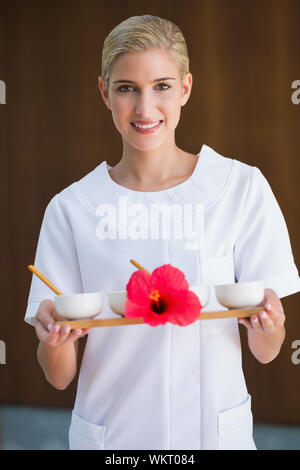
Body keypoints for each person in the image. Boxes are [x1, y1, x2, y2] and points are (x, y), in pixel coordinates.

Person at [24, 14, 300, 450]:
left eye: (162, 86)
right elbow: (58, 377)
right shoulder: (71, 209)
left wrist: (269, 324)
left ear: (186, 88)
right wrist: (54, 340)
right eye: (126, 88)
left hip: (213, 436)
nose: (145, 108)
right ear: (104, 92)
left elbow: (266, 351)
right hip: (114, 440)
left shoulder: (240, 189)